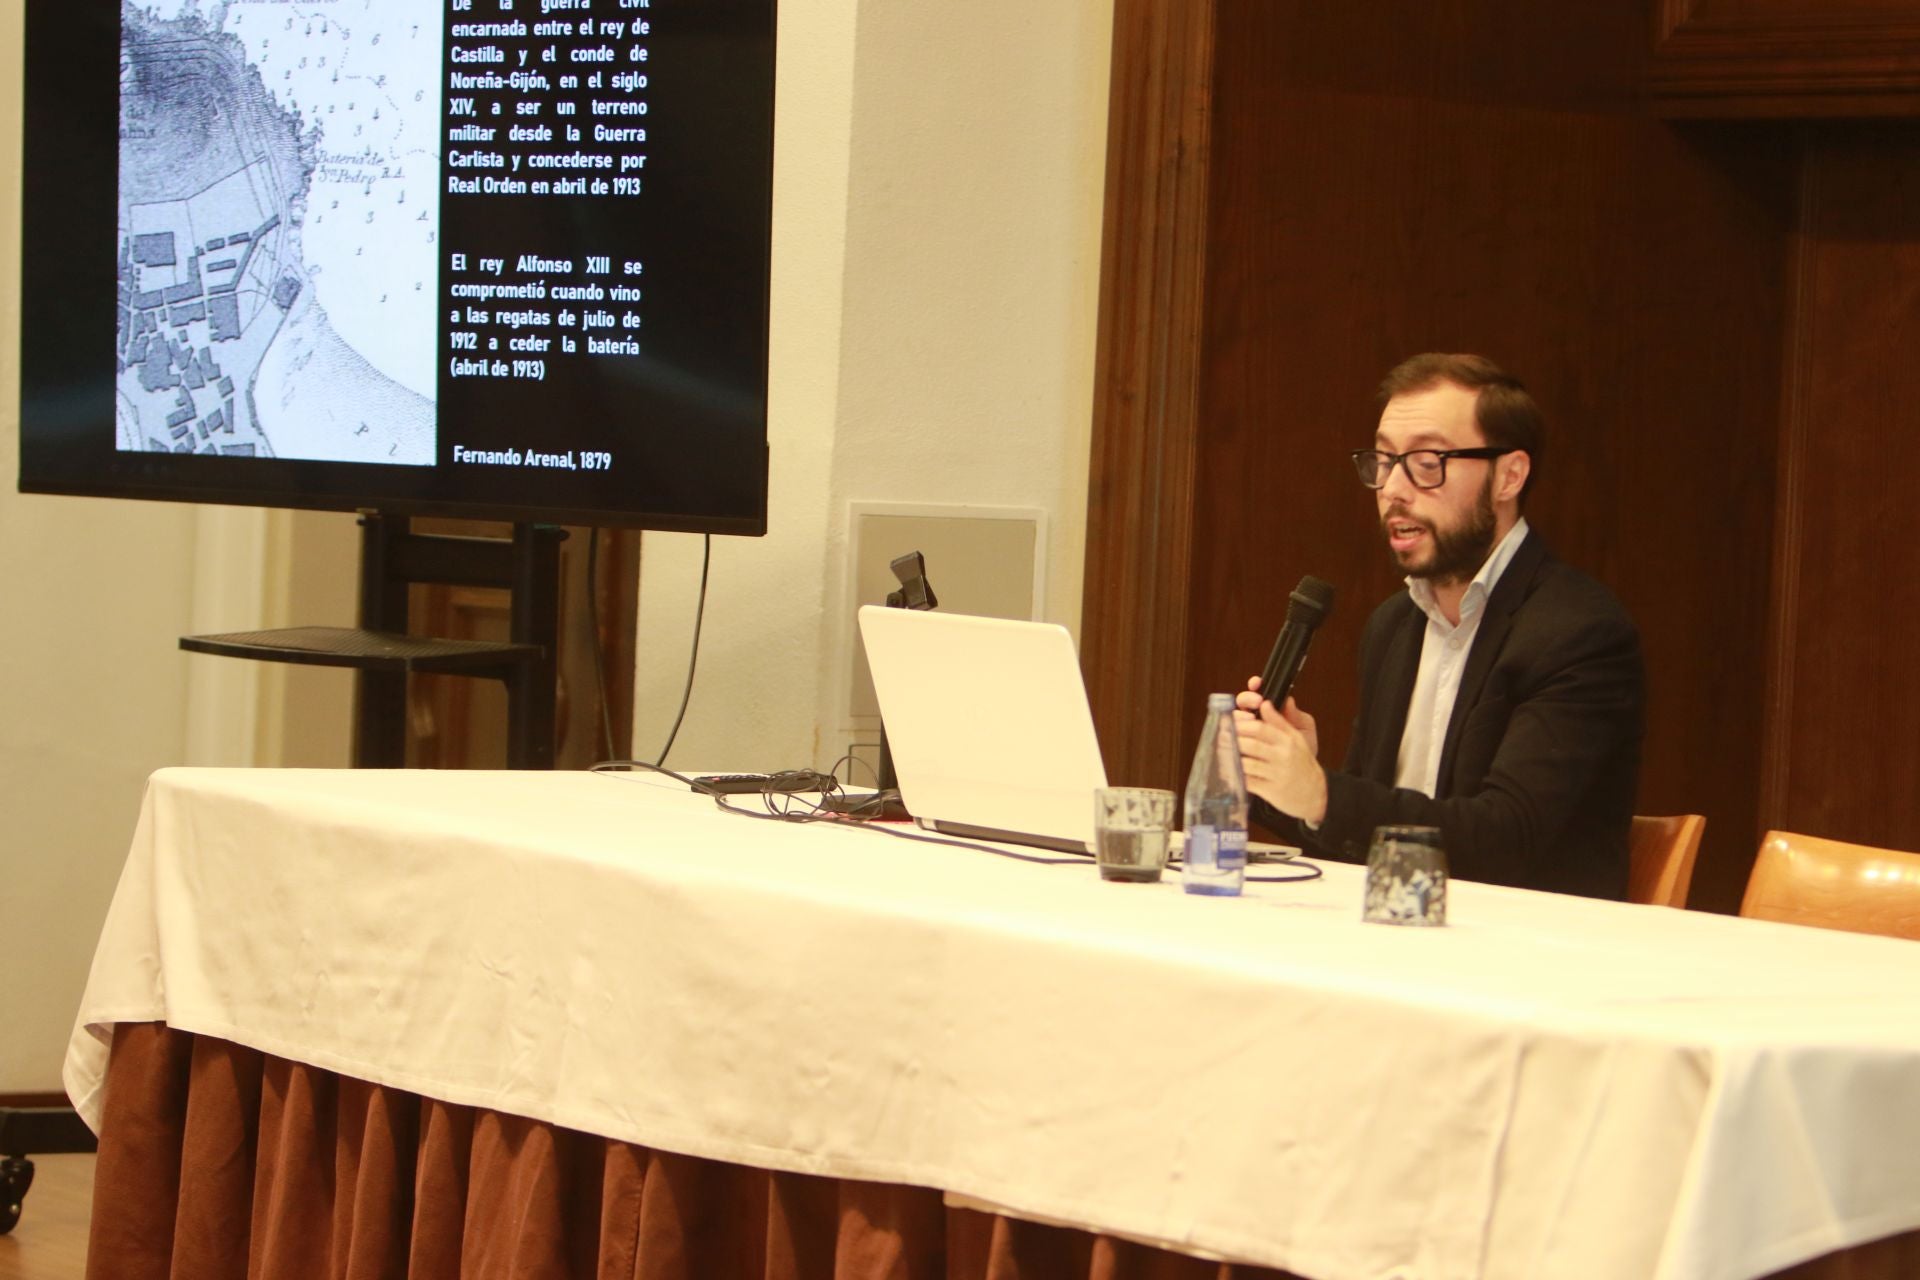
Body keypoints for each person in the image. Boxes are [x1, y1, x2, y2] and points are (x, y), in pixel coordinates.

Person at [1235, 353, 1643, 898]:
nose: (1393, 490)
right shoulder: (1392, 626)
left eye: (1427, 463)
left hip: (1525, 941)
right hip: (1397, 924)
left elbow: (1506, 839)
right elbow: (1365, 836)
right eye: (1384, 461)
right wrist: (1289, 782)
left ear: (1509, 476)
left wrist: (1325, 796)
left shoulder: (1578, 631)